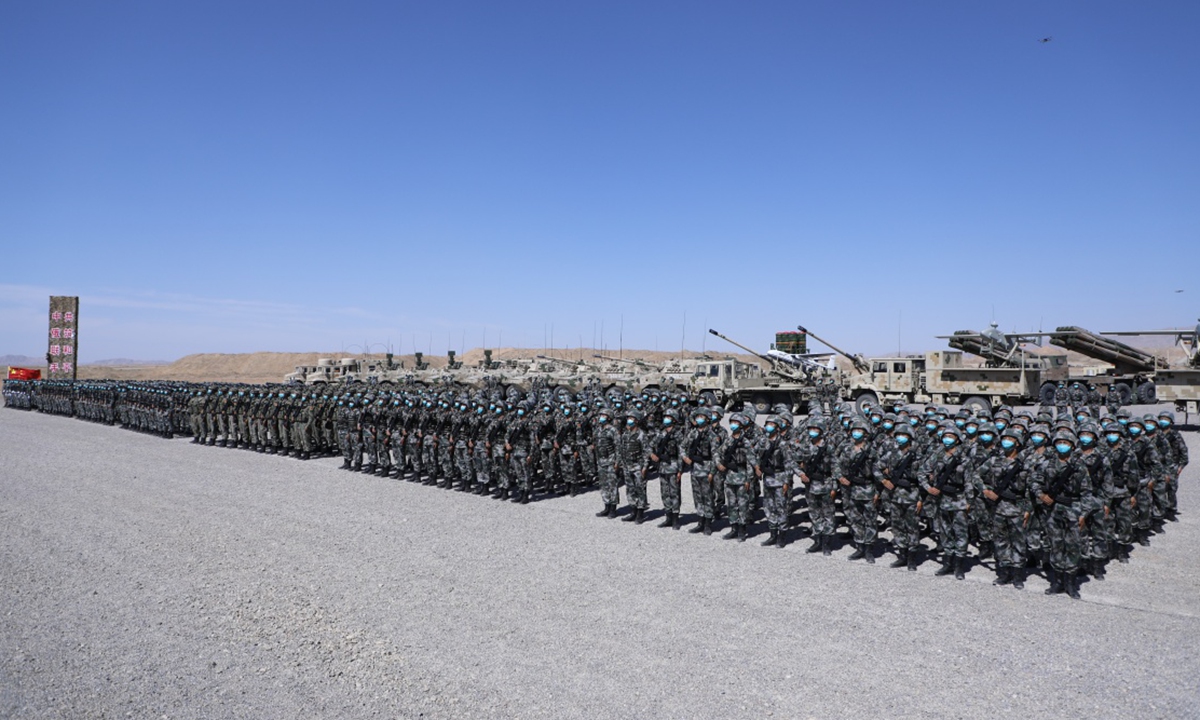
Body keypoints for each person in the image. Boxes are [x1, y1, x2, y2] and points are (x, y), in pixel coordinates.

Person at [1032, 430, 1093, 599]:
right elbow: (1034, 482)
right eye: (1060, 442)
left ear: (1073, 446)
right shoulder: (1046, 465)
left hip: (1074, 509)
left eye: (1066, 443)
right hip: (1053, 511)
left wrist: (1084, 514)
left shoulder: (1079, 467)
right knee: (1056, 545)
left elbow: (1087, 492)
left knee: (1073, 547)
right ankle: (1057, 581)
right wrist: (1042, 496)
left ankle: (1071, 583)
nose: (1062, 446)